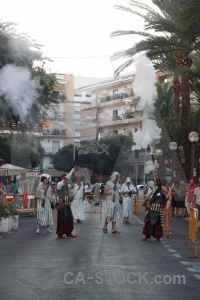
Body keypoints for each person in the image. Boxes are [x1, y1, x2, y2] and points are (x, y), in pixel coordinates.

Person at [56, 167, 77, 239]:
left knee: (69, 219)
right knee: (62, 220)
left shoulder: (66, 186)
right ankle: (60, 234)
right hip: (62, 205)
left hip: (67, 204)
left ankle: (68, 233)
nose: (66, 180)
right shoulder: (59, 184)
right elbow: (65, 180)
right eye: (64, 178)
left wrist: (70, 197)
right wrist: (72, 170)